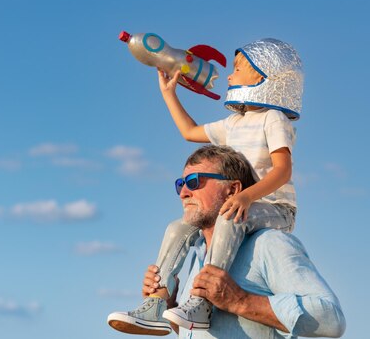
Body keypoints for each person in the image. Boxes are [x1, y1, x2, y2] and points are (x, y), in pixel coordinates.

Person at [108, 38, 305, 334]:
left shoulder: (272, 118)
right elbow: (189, 132)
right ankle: (157, 304)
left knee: (228, 215)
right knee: (178, 228)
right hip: (239, 203)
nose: (229, 75)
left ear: (264, 75)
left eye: (238, 68)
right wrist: (168, 93)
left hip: (275, 208)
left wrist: (248, 197)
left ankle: (202, 302)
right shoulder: (233, 124)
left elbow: (282, 170)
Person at [109, 145, 346, 338]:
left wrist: (240, 301)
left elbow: (332, 320)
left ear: (233, 190)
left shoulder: (269, 244)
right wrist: (171, 305)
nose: (183, 193)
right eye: (180, 184)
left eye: (194, 182)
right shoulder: (196, 255)